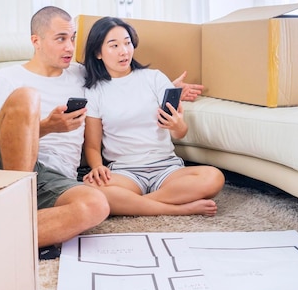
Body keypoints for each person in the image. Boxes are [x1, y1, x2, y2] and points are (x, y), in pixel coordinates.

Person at [0, 6, 110, 260]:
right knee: (29, 96)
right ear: (36, 41)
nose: (70, 48)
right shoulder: (8, 77)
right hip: (7, 170)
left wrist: (166, 88)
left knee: (97, 205)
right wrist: (49, 127)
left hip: (55, 178)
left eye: (72, 38)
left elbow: (121, 80)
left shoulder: (81, 74)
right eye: (60, 39)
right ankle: (18, 207)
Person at [81, 16, 225, 217]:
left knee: (213, 177)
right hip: (125, 172)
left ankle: (134, 205)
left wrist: (177, 125)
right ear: (98, 52)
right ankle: (179, 208)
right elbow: (92, 145)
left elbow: (181, 132)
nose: (124, 51)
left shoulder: (154, 78)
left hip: (166, 168)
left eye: (127, 43)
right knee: (89, 188)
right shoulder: (95, 91)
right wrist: (97, 167)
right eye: (114, 46)